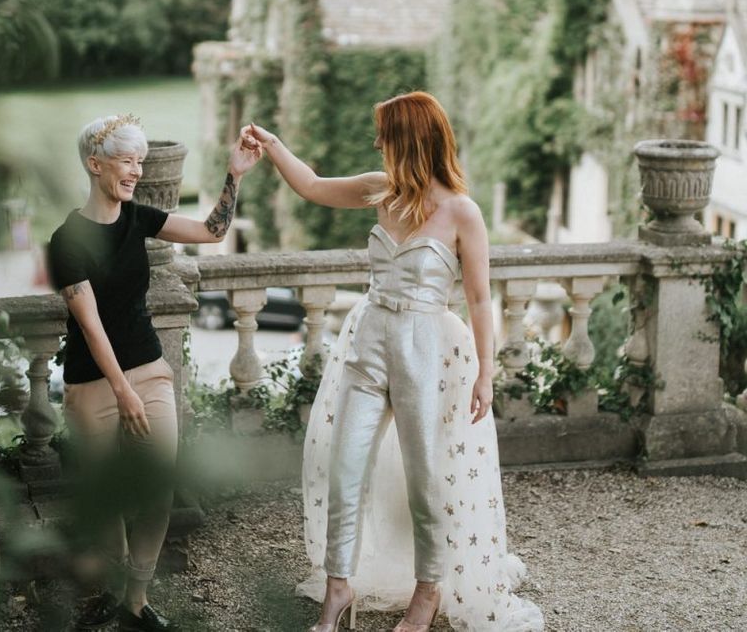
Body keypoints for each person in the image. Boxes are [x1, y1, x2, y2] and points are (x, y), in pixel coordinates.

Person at [246, 92, 544, 632]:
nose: (377, 142)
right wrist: (272, 146)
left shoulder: (461, 211)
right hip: (369, 341)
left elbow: (480, 299)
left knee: (424, 480)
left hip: (427, 353)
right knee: (344, 469)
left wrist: (486, 374)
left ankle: (427, 593)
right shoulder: (379, 189)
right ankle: (338, 590)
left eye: (385, 133)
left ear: (409, 139)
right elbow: (312, 185)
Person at [47, 115, 261, 632]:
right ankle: (120, 592)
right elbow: (91, 326)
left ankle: (135, 605)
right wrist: (123, 393)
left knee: (158, 493)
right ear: (95, 165)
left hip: (149, 370)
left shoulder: (138, 219)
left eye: (141, 161)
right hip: (93, 385)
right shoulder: (66, 240)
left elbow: (212, 232)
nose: (137, 171)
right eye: (128, 161)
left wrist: (236, 174)